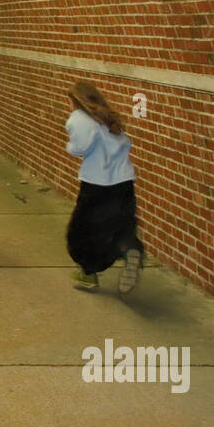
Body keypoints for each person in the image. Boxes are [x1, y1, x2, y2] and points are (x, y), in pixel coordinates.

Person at [63, 81, 144, 294]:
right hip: (124, 180)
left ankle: (88, 272)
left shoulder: (79, 119)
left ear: (74, 101)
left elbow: (80, 147)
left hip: (97, 183)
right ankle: (130, 249)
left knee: (81, 231)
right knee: (119, 224)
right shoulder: (107, 116)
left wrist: (69, 146)